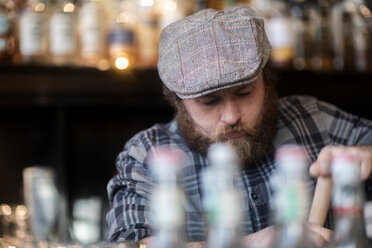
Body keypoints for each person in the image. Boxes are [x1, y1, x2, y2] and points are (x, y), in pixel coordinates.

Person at [106, 6, 372, 248]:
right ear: (178, 102)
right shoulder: (146, 156)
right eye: (209, 102)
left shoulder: (315, 119)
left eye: (245, 93)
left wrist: (367, 154)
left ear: (267, 82)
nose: (231, 116)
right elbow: (129, 245)